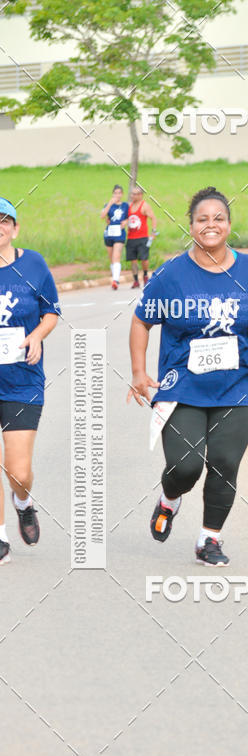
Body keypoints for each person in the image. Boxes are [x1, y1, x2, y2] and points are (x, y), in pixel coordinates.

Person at [127, 186, 248, 565]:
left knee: (225, 463)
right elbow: (141, 321)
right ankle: (169, 498)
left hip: (237, 386)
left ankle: (209, 540)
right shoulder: (171, 274)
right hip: (182, 386)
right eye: (202, 219)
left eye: (218, 218)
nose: (211, 225)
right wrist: (139, 371)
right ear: (191, 226)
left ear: (229, 225)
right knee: (185, 467)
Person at [0, 198, 61, 565]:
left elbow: (50, 311)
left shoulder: (33, 264)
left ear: (15, 228)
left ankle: (23, 501)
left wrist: (37, 335)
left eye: (4, 221)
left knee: (18, 471)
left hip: (22, 381)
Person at [125, 185, 157, 289]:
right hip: (131, 237)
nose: (133, 196)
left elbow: (153, 218)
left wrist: (153, 232)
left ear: (140, 195)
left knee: (144, 258)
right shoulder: (129, 206)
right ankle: (135, 280)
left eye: (135, 194)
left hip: (143, 237)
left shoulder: (144, 206)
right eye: (132, 194)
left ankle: (145, 275)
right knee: (133, 260)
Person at [101, 185, 128, 290]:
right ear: (113, 194)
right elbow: (102, 216)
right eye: (115, 193)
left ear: (122, 194)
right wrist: (110, 203)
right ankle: (114, 276)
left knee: (116, 256)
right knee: (111, 257)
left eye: (119, 193)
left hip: (119, 233)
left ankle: (115, 280)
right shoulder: (108, 205)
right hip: (109, 232)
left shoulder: (125, 205)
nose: (117, 195)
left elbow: (129, 216)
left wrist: (126, 221)